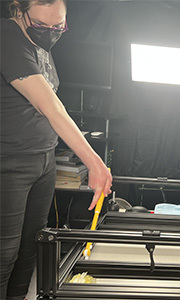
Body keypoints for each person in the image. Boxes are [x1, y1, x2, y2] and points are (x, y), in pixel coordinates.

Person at [0, 0, 113, 299]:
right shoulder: (7, 37)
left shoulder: (37, 43)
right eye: (41, 26)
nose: (49, 33)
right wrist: (94, 162)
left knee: (29, 251)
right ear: (18, 9)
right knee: (4, 255)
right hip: (9, 163)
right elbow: (49, 105)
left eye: (58, 27)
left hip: (43, 159)